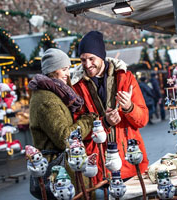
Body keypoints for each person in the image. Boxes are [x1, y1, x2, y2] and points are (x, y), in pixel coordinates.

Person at [71, 31, 149, 187]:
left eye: (91, 59)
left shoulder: (126, 78)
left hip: (129, 162)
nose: (87, 64)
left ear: (101, 56)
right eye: (83, 60)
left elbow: (143, 120)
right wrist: (104, 123)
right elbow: (77, 130)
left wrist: (129, 108)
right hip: (99, 167)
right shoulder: (76, 87)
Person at [28, 48, 96, 198]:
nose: (67, 74)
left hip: (63, 169)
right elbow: (65, 138)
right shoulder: (46, 100)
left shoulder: (52, 93)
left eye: (68, 69)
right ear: (52, 71)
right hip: (60, 172)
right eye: (64, 69)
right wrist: (88, 120)